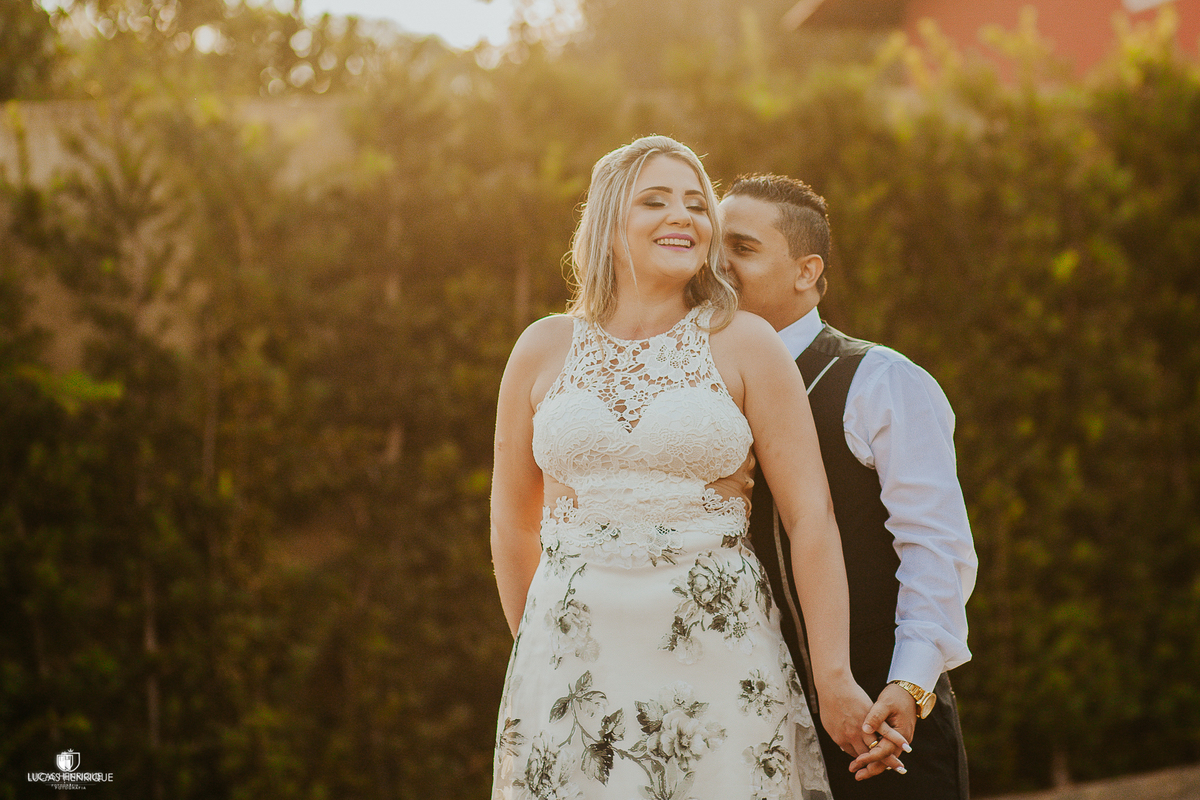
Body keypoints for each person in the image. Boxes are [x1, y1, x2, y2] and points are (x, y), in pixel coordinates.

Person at [489, 137, 905, 800]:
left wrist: (832, 677)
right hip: (571, 663)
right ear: (606, 221)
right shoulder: (540, 348)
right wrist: (535, 652)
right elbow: (513, 523)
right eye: (655, 200)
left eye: (696, 204)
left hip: (715, 653)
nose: (682, 215)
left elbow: (810, 518)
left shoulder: (746, 343)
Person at [718, 173, 977, 796]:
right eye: (712, 249)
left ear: (807, 272)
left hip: (879, 723)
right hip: (747, 732)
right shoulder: (695, 396)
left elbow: (936, 549)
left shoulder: (881, 382)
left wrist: (909, 684)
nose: (718, 268)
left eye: (744, 249)